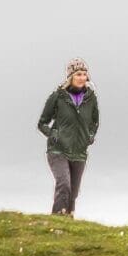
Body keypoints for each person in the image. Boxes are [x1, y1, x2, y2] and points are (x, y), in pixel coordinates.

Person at [39, 60, 99, 217]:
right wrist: (54, 134)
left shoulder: (91, 98)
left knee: (73, 192)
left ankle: (68, 224)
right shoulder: (58, 97)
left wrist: (90, 136)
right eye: (78, 74)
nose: (82, 78)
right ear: (70, 76)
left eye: (85, 74)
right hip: (58, 150)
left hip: (79, 152)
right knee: (64, 185)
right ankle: (56, 220)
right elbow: (42, 123)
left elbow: (94, 122)